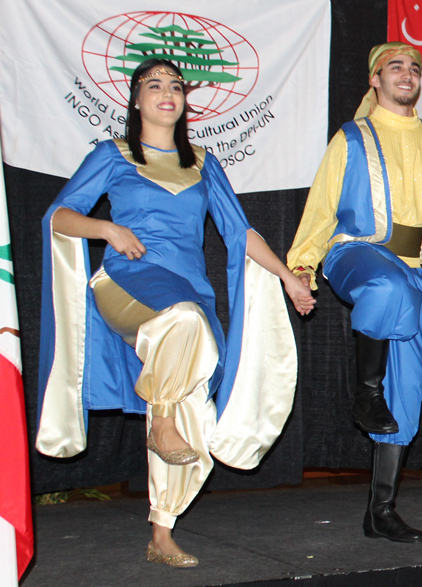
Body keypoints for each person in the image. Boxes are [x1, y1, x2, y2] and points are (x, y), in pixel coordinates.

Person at [36, 58, 315, 567]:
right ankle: (159, 420)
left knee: (194, 397)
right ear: (136, 100)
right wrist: (108, 231)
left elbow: (240, 233)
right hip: (125, 282)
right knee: (183, 325)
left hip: (188, 294)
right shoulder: (114, 154)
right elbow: (60, 214)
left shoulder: (205, 163)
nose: (167, 92)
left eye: (176, 86)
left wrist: (288, 278)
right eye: (154, 84)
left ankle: (161, 532)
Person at [287, 42, 422, 543]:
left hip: (411, 269)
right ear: (374, 80)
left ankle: (380, 509)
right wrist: (302, 263)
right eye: (395, 67)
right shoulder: (353, 138)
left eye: (413, 68)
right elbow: (322, 205)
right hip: (355, 251)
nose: (406, 74)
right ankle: (365, 394)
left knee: (406, 390)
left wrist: (417, 258)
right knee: (384, 286)